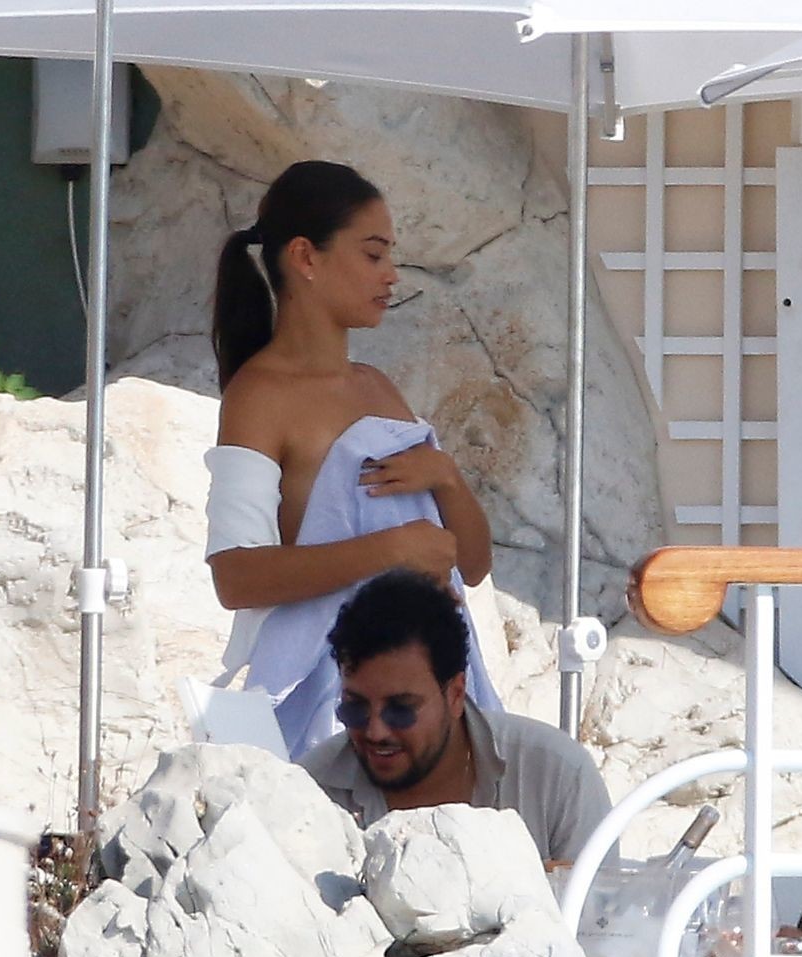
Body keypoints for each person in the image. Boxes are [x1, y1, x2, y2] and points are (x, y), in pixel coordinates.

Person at [205, 159, 500, 758]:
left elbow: (469, 565)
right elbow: (235, 577)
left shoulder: (378, 388)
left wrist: (447, 478)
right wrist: (392, 552)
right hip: (338, 707)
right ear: (305, 257)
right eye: (373, 254)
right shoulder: (258, 397)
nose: (391, 275)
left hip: (430, 686)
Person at [300, 570, 609, 867]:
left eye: (400, 709)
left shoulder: (559, 777)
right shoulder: (309, 793)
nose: (376, 731)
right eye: (355, 708)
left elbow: (603, 901)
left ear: (456, 694)